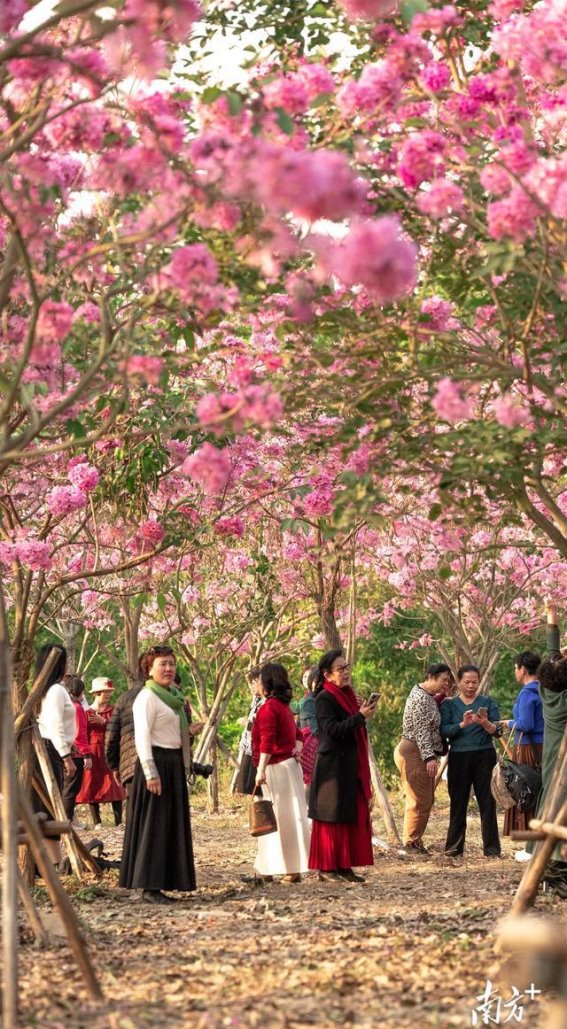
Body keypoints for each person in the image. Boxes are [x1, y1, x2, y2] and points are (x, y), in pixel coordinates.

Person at [119, 645, 196, 904]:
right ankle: (149, 887)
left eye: (172, 663)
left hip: (173, 763)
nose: (168, 668)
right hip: (155, 764)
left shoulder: (172, 696)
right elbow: (141, 736)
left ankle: (164, 881)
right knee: (155, 825)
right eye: (162, 664)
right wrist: (151, 772)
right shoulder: (147, 697)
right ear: (149, 669)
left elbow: (172, 732)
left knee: (169, 824)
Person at [308, 650, 377, 882]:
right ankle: (327, 868)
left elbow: (353, 725)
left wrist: (360, 714)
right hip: (332, 768)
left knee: (350, 815)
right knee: (332, 818)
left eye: (346, 667)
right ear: (327, 675)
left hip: (350, 766)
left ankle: (344, 865)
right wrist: (360, 716)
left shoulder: (348, 695)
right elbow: (332, 731)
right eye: (340, 669)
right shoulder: (324, 699)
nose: (346, 672)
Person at [252, 662, 311, 884]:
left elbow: (266, 742)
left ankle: (284, 868)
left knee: (275, 818)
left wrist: (260, 771)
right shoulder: (284, 707)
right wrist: (296, 751)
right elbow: (299, 735)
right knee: (288, 817)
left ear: (266, 684)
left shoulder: (268, 708)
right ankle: (278, 867)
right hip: (288, 766)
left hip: (275, 767)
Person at [440, 665, 502, 858]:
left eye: (474, 682)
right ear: (459, 682)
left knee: (487, 802)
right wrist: (463, 724)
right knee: (458, 802)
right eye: (467, 682)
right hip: (459, 756)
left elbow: (498, 731)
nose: (471, 686)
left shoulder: (488, 702)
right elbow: (444, 731)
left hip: (484, 755)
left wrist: (485, 723)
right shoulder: (449, 705)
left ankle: (491, 850)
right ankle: (454, 849)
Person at [528, 603, 567, 894]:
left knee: (550, 811)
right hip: (562, 766)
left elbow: (551, 659)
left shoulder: (547, 691)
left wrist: (551, 622)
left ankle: (547, 872)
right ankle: (555, 875)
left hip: (551, 762)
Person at [394, 662, 451, 855]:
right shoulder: (419, 697)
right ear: (431, 677)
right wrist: (429, 758)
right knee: (418, 799)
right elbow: (421, 731)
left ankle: (415, 840)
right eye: (443, 680)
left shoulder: (428, 697)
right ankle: (409, 843)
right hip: (414, 751)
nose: (446, 683)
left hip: (422, 751)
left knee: (426, 798)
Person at [33, 644, 76, 866]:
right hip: (51, 751)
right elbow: (55, 725)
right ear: (60, 663)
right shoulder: (56, 690)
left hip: (46, 749)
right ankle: (53, 862)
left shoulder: (44, 689)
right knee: (49, 808)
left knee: (42, 807)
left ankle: (45, 863)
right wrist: (67, 757)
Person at [502, 651, 543, 838]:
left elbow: (526, 724)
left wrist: (508, 723)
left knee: (526, 789)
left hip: (528, 747)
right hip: (543, 745)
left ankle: (530, 840)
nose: (514, 672)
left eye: (515, 668)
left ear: (523, 669)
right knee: (540, 790)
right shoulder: (544, 689)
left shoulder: (527, 692)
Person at [76, 676, 126, 826]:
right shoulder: (87, 712)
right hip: (93, 751)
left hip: (110, 750)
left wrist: (104, 722)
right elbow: (81, 732)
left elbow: (120, 728)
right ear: (97, 693)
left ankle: (119, 821)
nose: (109, 694)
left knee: (115, 785)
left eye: (110, 692)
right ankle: (97, 822)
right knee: (92, 784)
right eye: (106, 692)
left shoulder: (114, 711)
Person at [106, 660, 146, 797]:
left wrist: (114, 766)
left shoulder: (124, 698)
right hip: (163, 766)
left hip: (132, 766)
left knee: (134, 810)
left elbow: (111, 736)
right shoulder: (174, 697)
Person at [61, 674, 92, 826]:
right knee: (72, 787)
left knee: (66, 786)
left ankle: (67, 817)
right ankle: (67, 820)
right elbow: (80, 732)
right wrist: (87, 754)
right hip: (76, 753)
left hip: (64, 751)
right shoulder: (77, 708)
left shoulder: (65, 706)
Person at [232, 666, 264, 796]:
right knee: (249, 788)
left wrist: (248, 724)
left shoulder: (266, 702)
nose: (251, 686)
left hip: (257, 750)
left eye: (254, 682)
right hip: (249, 747)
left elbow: (262, 728)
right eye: (250, 683)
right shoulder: (256, 701)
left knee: (257, 790)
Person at [298, 666, 319, 799]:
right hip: (310, 745)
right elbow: (315, 729)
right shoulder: (307, 701)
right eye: (305, 677)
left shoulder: (314, 698)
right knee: (309, 781)